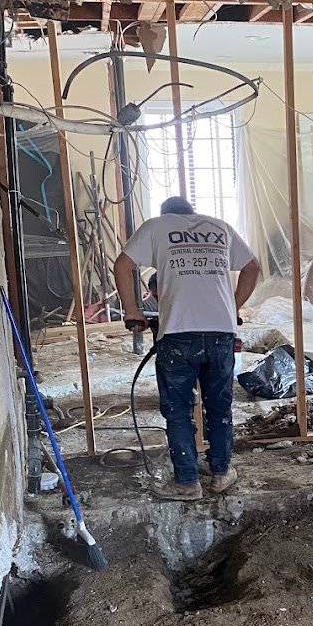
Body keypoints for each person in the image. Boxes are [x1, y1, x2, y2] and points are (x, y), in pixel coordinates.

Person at [114, 196, 261, 500]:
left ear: (165, 214)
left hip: (179, 333)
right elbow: (252, 267)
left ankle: (187, 482)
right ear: (191, 213)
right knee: (219, 406)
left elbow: (123, 264)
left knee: (179, 409)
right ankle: (221, 472)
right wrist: (232, 307)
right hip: (221, 333)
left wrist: (132, 310)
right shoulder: (219, 227)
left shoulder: (157, 226)